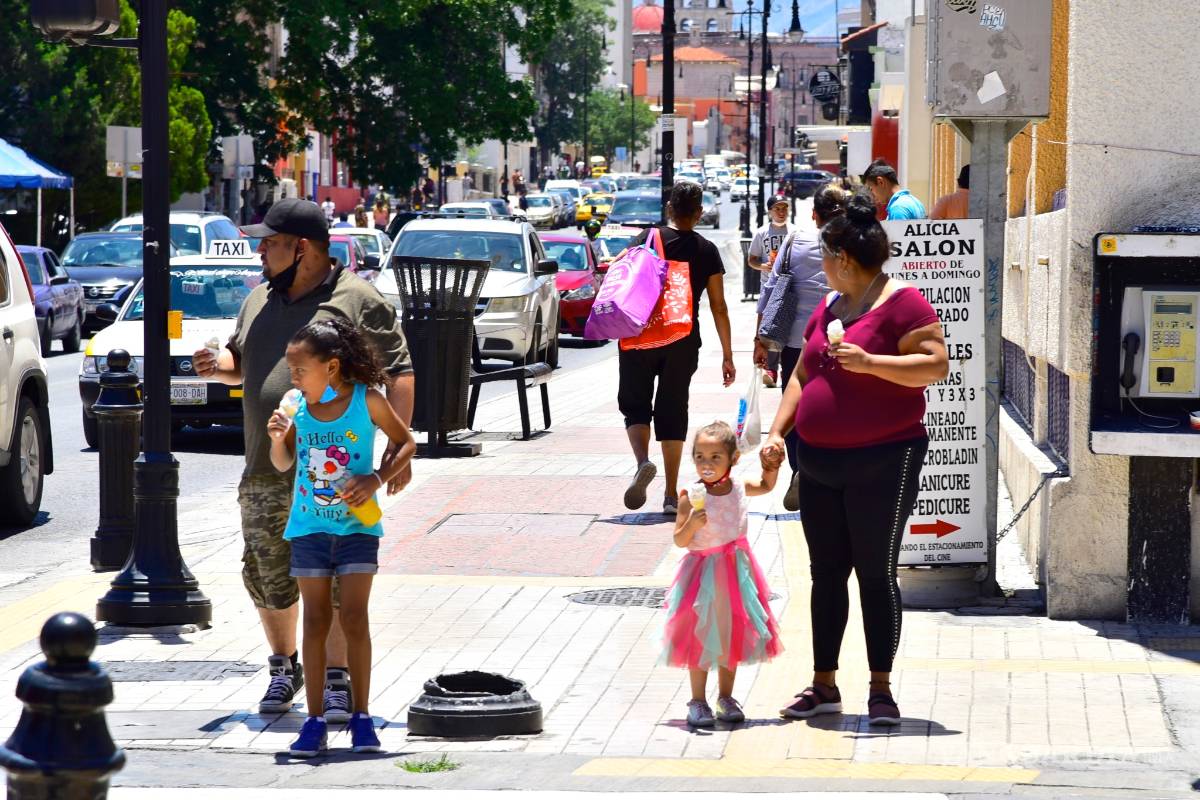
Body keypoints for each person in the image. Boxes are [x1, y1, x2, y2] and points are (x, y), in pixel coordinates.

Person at [192, 197, 414, 723]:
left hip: (335, 476)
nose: (260, 252)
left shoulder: (357, 299)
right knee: (266, 572)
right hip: (265, 465)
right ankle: (284, 665)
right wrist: (216, 364)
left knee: (333, 581)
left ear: (304, 248)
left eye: (269, 243)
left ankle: (335, 678)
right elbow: (242, 363)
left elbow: (399, 371)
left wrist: (394, 454)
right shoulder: (258, 298)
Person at [763, 189, 948, 726]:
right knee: (825, 575)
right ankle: (823, 684)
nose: (821, 266)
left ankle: (881, 690)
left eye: (824, 257)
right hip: (819, 462)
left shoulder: (905, 303)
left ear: (842, 258)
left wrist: (870, 363)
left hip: (883, 461)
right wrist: (777, 433)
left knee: (875, 573)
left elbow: (935, 365)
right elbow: (803, 375)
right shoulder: (830, 306)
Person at [267, 318, 417, 757]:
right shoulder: (296, 406)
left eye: (300, 370)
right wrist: (277, 439)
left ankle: (362, 718)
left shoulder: (367, 400)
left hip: (357, 529)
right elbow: (283, 463)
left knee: (354, 619)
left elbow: (407, 443)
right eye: (291, 371)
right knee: (314, 622)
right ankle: (314, 721)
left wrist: (376, 478)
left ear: (331, 367)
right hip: (309, 528)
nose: (294, 379)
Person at [620, 181, 734, 515]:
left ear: (670, 208)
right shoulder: (706, 250)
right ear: (699, 213)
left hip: (640, 335)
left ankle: (643, 461)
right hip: (682, 339)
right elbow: (719, 306)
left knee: (636, 406)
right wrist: (727, 355)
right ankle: (670, 495)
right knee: (672, 410)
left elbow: (621, 274)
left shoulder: (647, 238)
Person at [665, 421, 784, 727]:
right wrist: (692, 523)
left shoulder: (739, 487)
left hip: (735, 571)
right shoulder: (691, 494)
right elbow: (679, 539)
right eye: (700, 457)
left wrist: (771, 466)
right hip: (701, 574)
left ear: (733, 458)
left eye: (715, 457)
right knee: (699, 634)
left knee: (731, 632)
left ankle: (726, 698)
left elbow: (766, 485)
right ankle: (697, 700)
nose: (706, 463)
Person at [754, 183, 848, 510]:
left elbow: (770, 290)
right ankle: (826, 473)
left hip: (796, 339)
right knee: (835, 406)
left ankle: (799, 468)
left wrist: (759, 339)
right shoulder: (854, 243)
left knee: (794, 405)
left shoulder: (794, 240)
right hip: (841, 339)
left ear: (814, 215)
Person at [748, 195, 796, 388]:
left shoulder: (794, 232)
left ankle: (787, 368)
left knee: (789, 326)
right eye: (777, 208)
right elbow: (752, 259)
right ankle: (771, 368)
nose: (782, 212)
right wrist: (763, 266)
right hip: (769, 286)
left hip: (789, 285)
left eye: (785, 208)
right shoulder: (762, 233)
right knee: (769, 327)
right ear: (769, 211)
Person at [861, 158, 927, 220]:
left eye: (871, 189)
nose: (871, 195)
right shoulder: (916, 202)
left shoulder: (898, 208)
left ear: (881, 182)